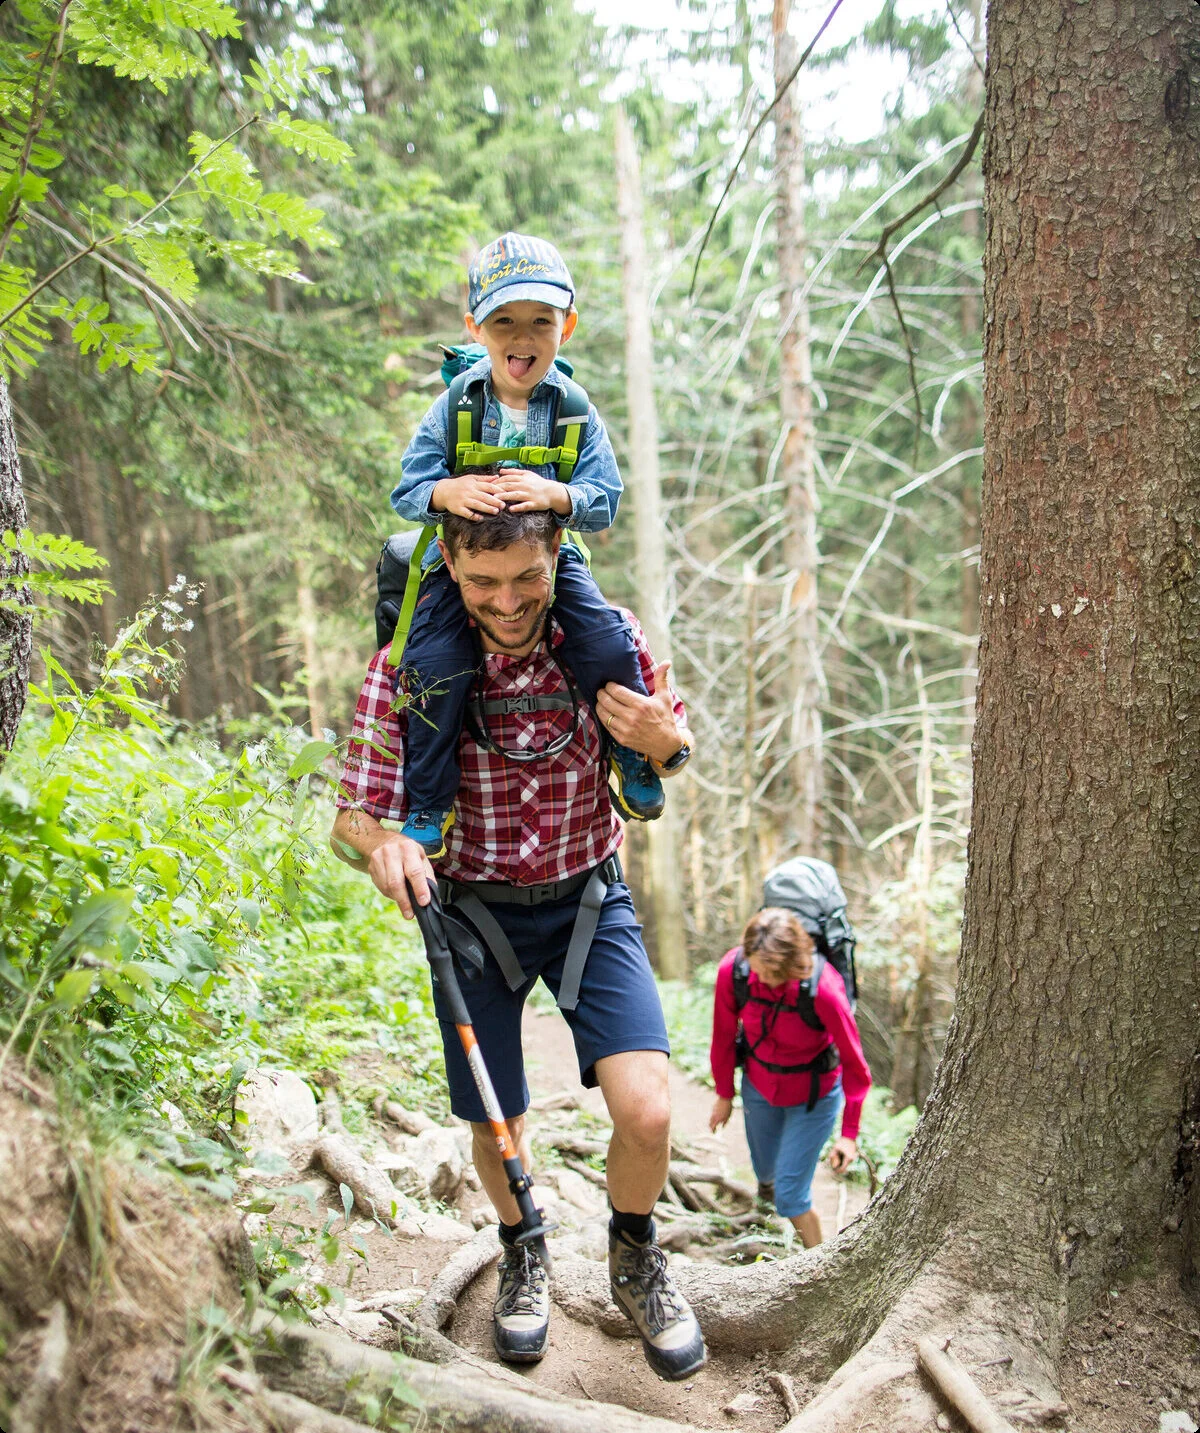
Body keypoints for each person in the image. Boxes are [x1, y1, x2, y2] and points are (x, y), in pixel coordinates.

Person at [330, 505, 706, 1381]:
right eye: (484, 581)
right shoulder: (410, 671)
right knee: (498, 1123)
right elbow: (353, 809)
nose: (507, 601)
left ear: (556, 559)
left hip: (587, 901)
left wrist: (669, 744)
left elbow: (672, 742)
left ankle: (635, 1252)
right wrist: (383, 843)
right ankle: (522, 1248)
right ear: (451, 569)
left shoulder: (609, 640)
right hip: (472, 913)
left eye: (527, 577)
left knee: (648, 1110)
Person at [390, 230, 663, 857]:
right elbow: (407, 491)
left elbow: (605, 500)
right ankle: (430, 800)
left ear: (565, 328)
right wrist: (446, 494)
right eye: (504, 320)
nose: (522, 337)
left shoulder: (574, 412)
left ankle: (629, 751)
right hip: (459, 567)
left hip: (549, 562)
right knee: (434, 666)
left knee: (605, 640)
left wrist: (556, 496)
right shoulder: (453, 408)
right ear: (475, 327)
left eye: (541, 321)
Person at [708, 907, 872, 1248]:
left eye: (775, 973)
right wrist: (725, 1094)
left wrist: (849, 1135)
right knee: (764, 1171)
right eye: (760, 969)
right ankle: (766, 1214)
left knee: (791, 1195)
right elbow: (723, 1035)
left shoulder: (823, 990)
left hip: (813, 1098)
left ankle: (818, 1267)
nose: (765, 979)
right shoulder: (734, 973)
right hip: (758, 1087)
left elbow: (856, 1066)